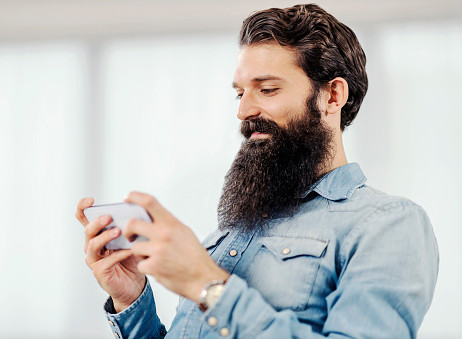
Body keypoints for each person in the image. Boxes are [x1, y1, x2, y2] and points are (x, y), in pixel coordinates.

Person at [75, 4, 438, 338]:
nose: (244, 110)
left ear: (332, 96)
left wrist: (206, 283)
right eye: (240, 93)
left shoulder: (389, 224)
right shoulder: (234, 230)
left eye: (267, 89)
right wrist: (131, 299)